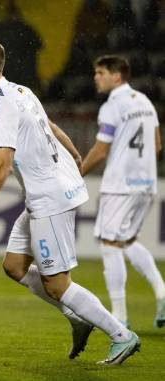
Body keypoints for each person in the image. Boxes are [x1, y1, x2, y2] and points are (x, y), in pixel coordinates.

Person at [0, 39, 140, 365]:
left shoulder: (0, 106)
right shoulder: (21, 91)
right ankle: (78, 317)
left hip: (49, 197)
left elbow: (2, 165)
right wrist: (74, 153)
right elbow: (51, 126)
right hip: (49, 190)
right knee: (14, 266)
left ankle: (121, 335)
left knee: (57, 285)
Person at [81, 55, 165, 329]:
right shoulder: (144, 102)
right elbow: (156, 147)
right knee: (127, 240)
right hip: (146, 184)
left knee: (109, 244)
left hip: (119, 186)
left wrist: (77, 172)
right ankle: (162, 294)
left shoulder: (112, 106)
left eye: (101, 72)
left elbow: (101, 150)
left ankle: (120, 317)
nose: (96, 77)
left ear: (117, 76)